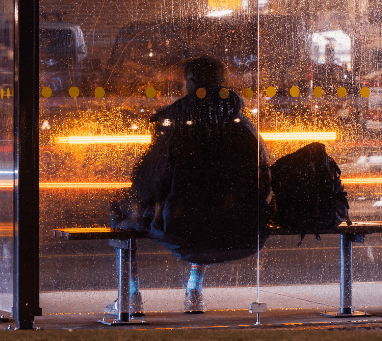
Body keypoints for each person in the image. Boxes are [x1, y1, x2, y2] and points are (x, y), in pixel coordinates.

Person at [106, 56, 271, 316]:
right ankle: (194, 292)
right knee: (204, 205)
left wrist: (144, 201)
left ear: (191, 82)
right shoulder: (243, 125)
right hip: (244, 231)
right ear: (221, 82)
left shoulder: (174, 126)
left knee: (122, 210)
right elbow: (263, 176)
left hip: (185, 231)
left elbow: (148, 183)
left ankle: (131, 296)